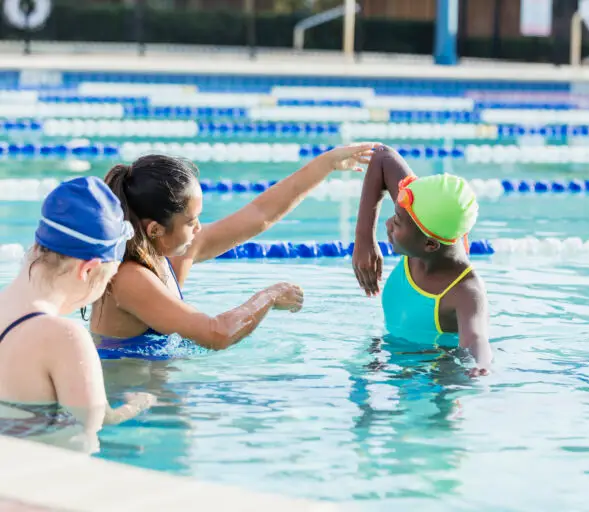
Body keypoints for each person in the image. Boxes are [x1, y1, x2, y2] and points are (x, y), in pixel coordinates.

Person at [89, 143, 378, 359]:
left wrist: (326, 163)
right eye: (191, 222)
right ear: (155, 230)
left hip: (155, 395)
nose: (200, 228)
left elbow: (258, 213)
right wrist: (269, 296)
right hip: (125, 408)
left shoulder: (170, 252)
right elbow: (217, 333)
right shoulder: (129, 279)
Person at [0, 176, 156, 451]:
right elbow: (90, 427)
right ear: (88, 269)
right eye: (107, 280)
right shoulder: (64, 338)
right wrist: (136, 406)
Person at [352, 145, 492, 376]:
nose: (388, 224)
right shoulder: (419, 211)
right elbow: (383, 156)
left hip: (434, 375)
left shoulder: (464, 291)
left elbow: (476, 338)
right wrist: (363, 238)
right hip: (391, 356)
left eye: (397, 223)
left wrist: (482, 365)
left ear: (430, 244)